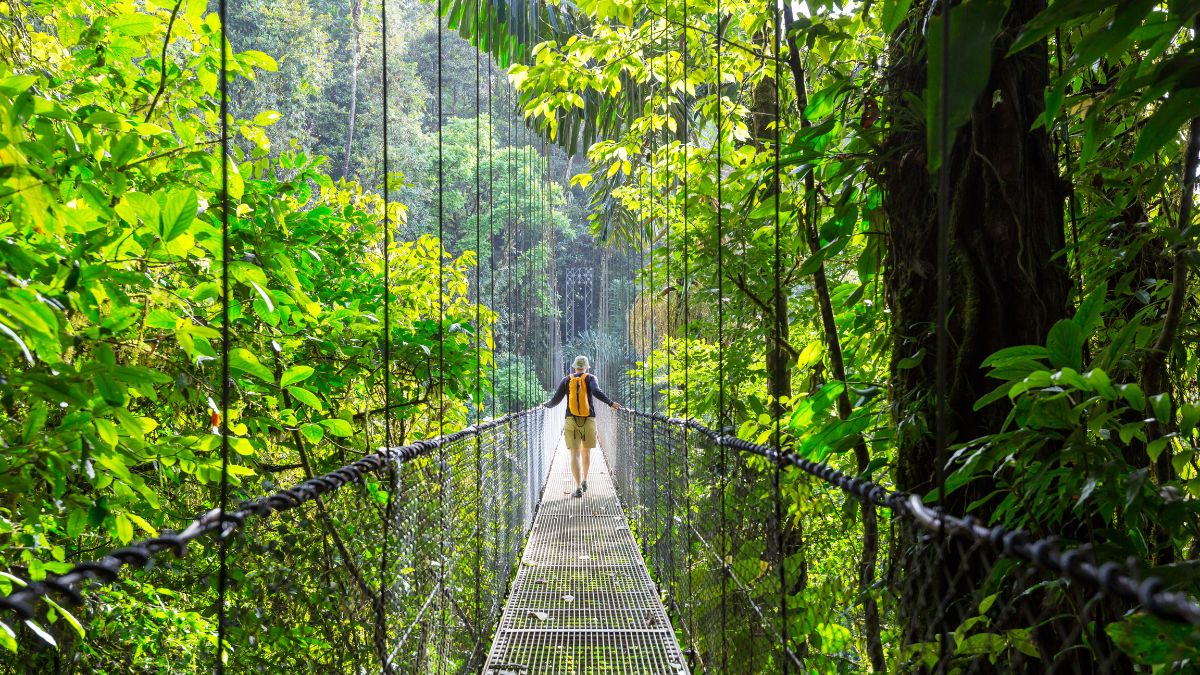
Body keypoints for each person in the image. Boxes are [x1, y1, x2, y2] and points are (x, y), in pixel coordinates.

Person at [543, 355, 620, 498]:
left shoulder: (567, 380)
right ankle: (585, 479)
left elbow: (556, 400)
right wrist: (610, 403)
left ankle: (578, 487)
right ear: (586, 367)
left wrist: (545, 406)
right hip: (588, 419)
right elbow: (596, 392)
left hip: (571, 420)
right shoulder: (591, 378)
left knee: (574, 454)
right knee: (586, 452)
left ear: (574, 367)